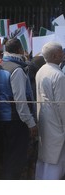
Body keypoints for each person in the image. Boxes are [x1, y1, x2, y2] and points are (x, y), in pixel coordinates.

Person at [0, 38, 38, 179]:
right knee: (16, 159)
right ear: (20, 50)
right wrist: (30, 123)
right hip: (16, 120)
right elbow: (21, 100)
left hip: (3, 118)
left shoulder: (0, 67)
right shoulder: (17, 69)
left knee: (8, 156)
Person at [35, 42, 65, 179]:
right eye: (61, 52)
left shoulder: (42, 70)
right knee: (55, 159)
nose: (63, 54)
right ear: (54, 55)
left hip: (44, 118)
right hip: (56, 122)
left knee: (44, 158)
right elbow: (61, 105)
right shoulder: (59, 75)